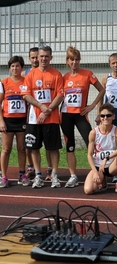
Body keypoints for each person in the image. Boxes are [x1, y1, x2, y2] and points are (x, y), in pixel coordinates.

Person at [61, 46, 105, 188]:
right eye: (72, 60)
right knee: (70, 146)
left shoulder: (87, 74)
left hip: (81, 115)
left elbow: (102, 90)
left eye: (77, 59)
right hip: (66, 115)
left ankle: (98, 173)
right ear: (67, 61)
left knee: (91, 143)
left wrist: (92, 106)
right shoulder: (64, 77)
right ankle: (73, 176)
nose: (74, 62)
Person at [21, 45, 64, 189]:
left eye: (47, 56)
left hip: (51, 118)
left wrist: (48, 110)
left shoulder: (56, 74)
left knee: (53, 148)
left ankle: (54, 175)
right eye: (41, 56)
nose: (44, 58)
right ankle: (38, 175)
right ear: (37, 57)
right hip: (34, 118)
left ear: (51, 58)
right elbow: (26, 95)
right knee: (34, 148)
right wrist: (41, 106)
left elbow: (60, 95)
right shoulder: (30, 75)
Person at [22, 47, 53, 181]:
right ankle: (31, 167)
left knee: (48, 144)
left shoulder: (50, 73)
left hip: (47, 113)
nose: (36, 60)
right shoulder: (26, 74)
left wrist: (46, 109)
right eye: (33, 57)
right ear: (30, 59)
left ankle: (50, 169)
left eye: (37, 57)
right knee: (30, 143)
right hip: (30, 113)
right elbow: (24, 94)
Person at [83, 103, 117, 195]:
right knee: (88, 190)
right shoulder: (93, 133)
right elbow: (89, 155)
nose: (105, 118)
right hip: (98, 167)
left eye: (108, 115)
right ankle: (102, 180)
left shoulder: (116, 130)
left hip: (111, 166)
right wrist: (95, 172)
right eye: (103, 116)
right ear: (100, 117)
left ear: (113, 117)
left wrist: (106, 158)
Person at [99, 53, 117, 183]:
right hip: (108, 117)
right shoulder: (106, 78)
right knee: (108, 144)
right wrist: (100, 113)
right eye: (113, 63)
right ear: (110, 64)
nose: (116, 65)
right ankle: (107, 169)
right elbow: (101, 96)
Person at [0, 56, 27, 188]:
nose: (15, 68)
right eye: (12, 66)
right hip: (7, 120)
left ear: (21, 67)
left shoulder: (26, 82)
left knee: (22, 149)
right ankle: (4, 177)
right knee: (6, 149)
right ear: (9, 68)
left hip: (22, 120)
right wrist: (1, 121)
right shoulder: (4, 83)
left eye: (17, 66)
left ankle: (22, 174)